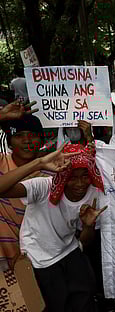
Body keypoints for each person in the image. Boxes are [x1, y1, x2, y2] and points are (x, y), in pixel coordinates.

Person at [0, 143, 106, 312]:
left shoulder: (94, 194)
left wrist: (88, 226)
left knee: (85, 301)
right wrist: (39, 163)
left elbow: (85, 242)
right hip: (38, 258)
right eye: (72, 177)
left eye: (85, 176)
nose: (80, 184)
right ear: (62, 175)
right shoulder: (44, 187)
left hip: (69, 250)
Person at [0, 103, 45, 271]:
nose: (27, 141)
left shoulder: (53, 174)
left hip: (39, 261)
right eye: (19, 135)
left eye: (32, 135)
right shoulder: (1, 162)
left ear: (41, 140)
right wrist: (2, 117)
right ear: (10, 142)